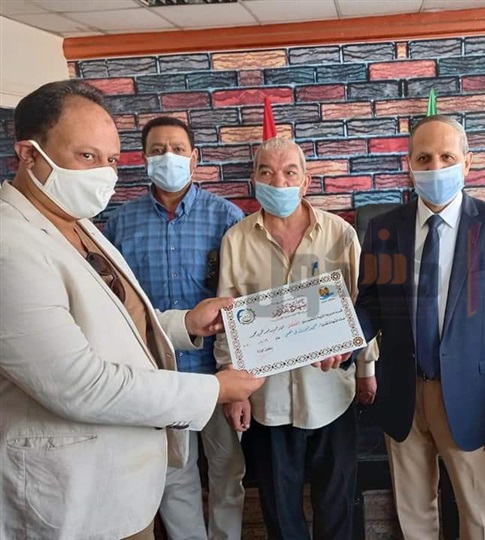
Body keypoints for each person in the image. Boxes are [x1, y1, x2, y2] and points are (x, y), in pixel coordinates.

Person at [0, 80, 263, 540]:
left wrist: (185, 323)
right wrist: (215, 389)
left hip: (123, 468)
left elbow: (114, 321)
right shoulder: (10, 246)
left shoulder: (77, 223)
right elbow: (80, 384)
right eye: (87, 156)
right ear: (28, 155)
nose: (103, 173)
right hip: (73, 494)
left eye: (111, 160)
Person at [354, 114, 485, 539]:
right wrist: (342, 342)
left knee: (481, 517)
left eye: (446, 157)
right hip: (403, 392)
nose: (435, 167)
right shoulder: (383, 229)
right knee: (413, 513)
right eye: (424, 158)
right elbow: (371, 305)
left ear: (467, 163)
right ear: (409, 165)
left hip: (473, 397)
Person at [214, 136, 375, 540]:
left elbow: (363, 306)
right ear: (254, 180)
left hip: (332, 393)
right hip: (267, 400)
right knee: (280, 512)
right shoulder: (236, 240)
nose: (279, 182)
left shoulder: (340, 234)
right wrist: (233, 391)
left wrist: (367, 369)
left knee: (336, 505)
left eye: (289, 173)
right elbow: (227, 319)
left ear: (306, 182)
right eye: (267, 172)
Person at [104, 116, 246, 540]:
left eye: (178, 149)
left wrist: (239, 379)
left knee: (227, 472)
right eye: (158, 150)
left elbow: (242, 300)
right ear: (144, 158)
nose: (169, 157)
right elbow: (115, 303)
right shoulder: (120, 224)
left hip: (217, 373)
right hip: (156, 375)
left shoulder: (226, 217)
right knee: (173, 476)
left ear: (194, 158)